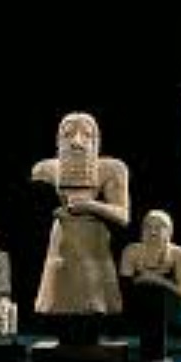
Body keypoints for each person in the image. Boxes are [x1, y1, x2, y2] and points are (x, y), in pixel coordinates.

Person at [32, 112, 129, 345]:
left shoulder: (111, 169)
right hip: (62, 242)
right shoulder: (46, 169)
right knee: (61, 296)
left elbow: (123, 216)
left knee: (94, 296)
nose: (77, 142)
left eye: (86, 135)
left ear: (97, 140)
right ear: (58, 141)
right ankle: (68, 340)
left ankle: (88, 339)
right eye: (68, 134)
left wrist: (90, 206)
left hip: (93, 243)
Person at [120, 209, 181, 362]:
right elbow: (124, 285)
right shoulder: (132, 251)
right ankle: (147, 353)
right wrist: (143, 280)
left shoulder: (179, 254)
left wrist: (156, 280)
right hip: (138, 306)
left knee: (157, 302)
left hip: (167, 306)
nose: (153, 232)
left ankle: (157, 354)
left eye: (159, 227)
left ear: (169, 232)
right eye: (148, 227)